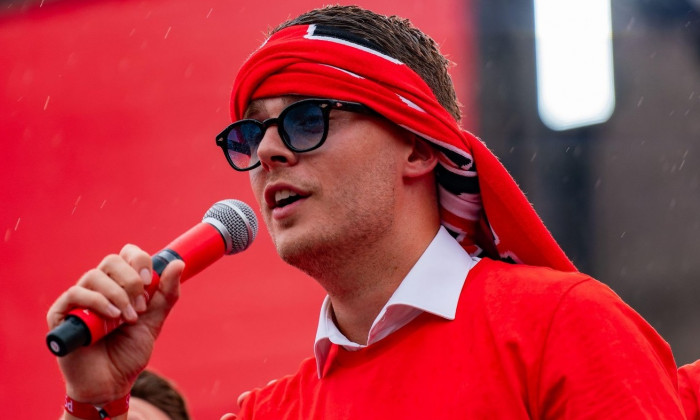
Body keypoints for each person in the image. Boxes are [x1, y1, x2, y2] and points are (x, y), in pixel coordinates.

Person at [47, 5, 688, 419]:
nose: (267, 150)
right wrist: (96, 403)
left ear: (416, 145)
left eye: (304, 120)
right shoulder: (267, 414)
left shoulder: (560, 325)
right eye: (251, 135)